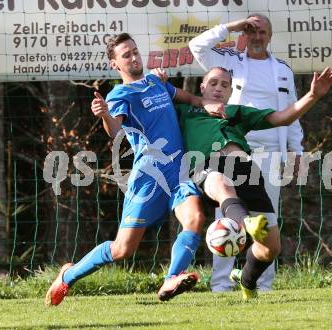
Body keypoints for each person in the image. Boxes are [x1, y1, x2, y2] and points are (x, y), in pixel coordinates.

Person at [44, 33, 229, 306]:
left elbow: (186, 97)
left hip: (177, 172)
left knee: (195, 218)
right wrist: (105, 113)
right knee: (122, 249)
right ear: (115, 65)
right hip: (149, 178)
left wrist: (206, 103)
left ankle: (171, 278)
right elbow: (115, 130)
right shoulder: (119, 94)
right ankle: (67, 276)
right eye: (126, 55)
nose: (133, 58)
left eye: (135, 51)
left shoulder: (157, 81)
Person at [155, 65, 332, 299]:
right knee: (220, 182)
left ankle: (247, 279)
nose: (219, 88)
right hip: (204, 164)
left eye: (225, 85)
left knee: (271, 248)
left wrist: (313, 95)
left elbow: (282, 117)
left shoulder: (238, 112)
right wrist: (159, 81)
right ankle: (245, 221)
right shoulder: (186, 109)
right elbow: (157, 98)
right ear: (202, 86)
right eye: (213, 83)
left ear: (231, 91)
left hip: (246, 172)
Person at [189, 13, 305, 292]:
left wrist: (296, 150)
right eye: (251, 31)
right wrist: (231, 27)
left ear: (270, 35)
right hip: (234, 149)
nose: (256, 36)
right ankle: (220, 285)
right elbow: (197, 46)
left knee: (267, 219)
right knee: (227, 217)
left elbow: (290, 114)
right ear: (244, 33)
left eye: (261, 31)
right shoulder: (229, 63)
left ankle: (261, 285)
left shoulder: (283, 70)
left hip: (271, 152)